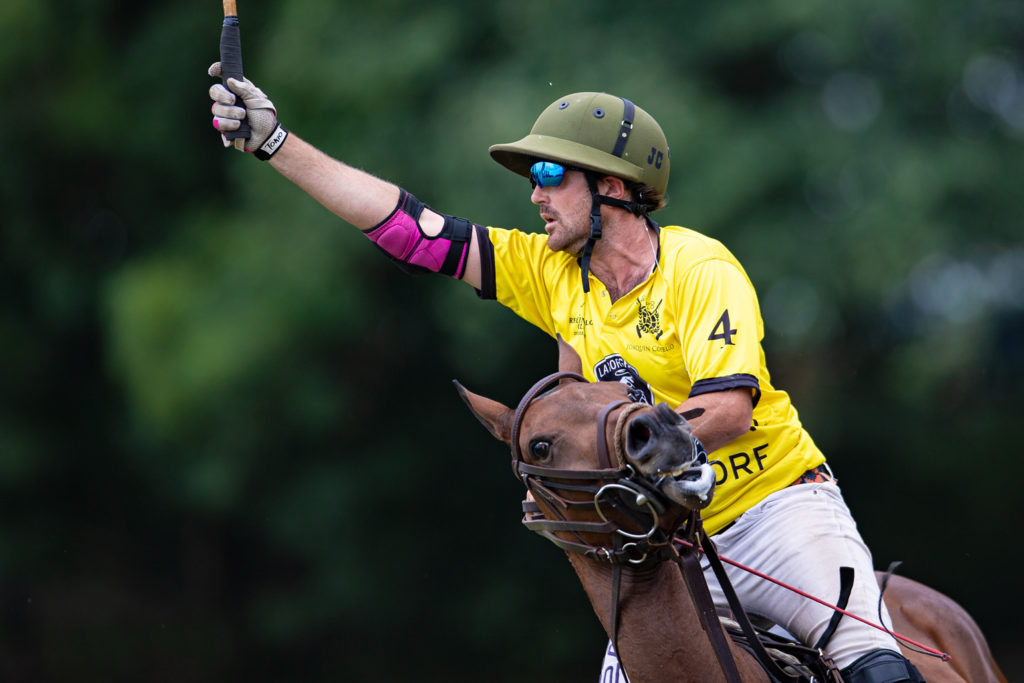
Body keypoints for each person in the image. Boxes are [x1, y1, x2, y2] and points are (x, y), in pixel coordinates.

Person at [208, 63, 924, 683]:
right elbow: (413, 232)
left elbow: (730, 411)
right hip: (671, 539)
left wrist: (625, 454)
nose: (533, 193)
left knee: (873, 661)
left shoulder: (699, 268)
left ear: (614, 187)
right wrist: (276, 144)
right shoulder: (552, 274)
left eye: (549, 173)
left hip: (774, 511)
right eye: (532, 178)